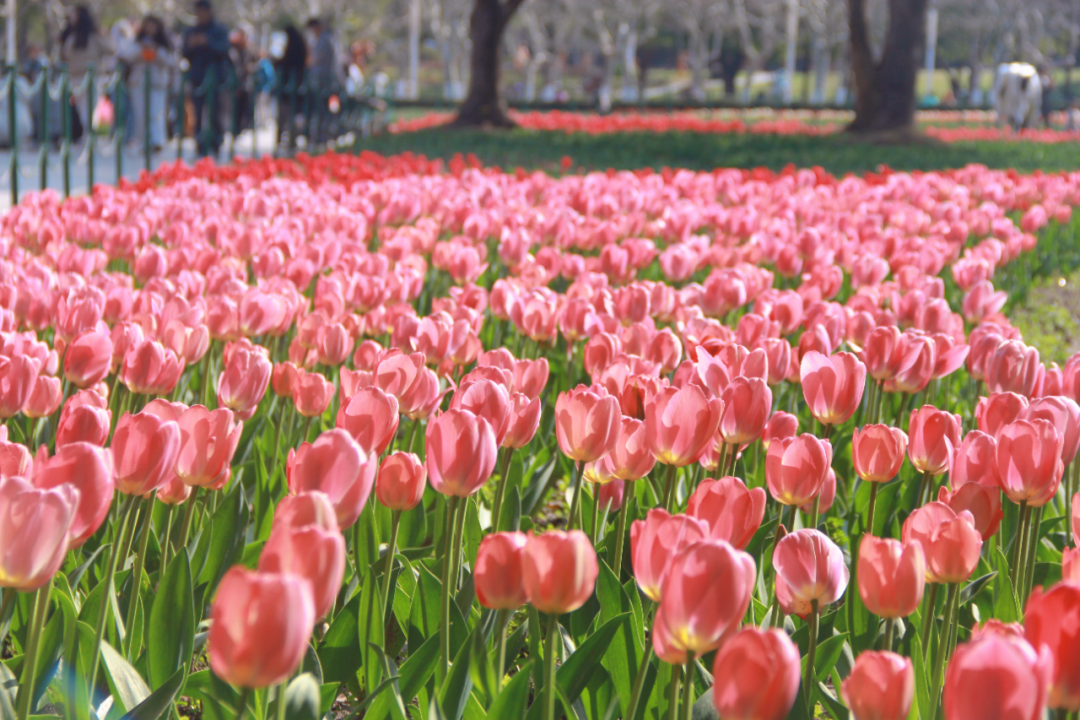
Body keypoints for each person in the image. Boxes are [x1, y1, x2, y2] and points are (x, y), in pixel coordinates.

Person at [118, 16, 175, 153]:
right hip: (138, 82)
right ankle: (143, 143)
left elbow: (170, 61)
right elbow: (126, 55)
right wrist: (141, 49)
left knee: (155, 112)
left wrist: (157, 51)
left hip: (157, 83)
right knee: (141, 114)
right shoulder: (137, 41)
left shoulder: (164, 44)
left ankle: (157, 141)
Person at [182, 0, 229, 156]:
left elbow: (224, 49)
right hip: (197, 78)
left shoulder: (220, 30)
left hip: (216, 78)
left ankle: (216, 142)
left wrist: (207, 42)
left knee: (216, 113)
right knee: (197, 112)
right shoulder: (191, 31)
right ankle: (200, 144)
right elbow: (184, 53)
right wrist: (191, 45)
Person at [58, 5, 112, 141]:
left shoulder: (90, 37)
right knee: (86, 108)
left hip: (88, 77)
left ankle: (89, 136)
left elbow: (110, 49)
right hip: (79, 77)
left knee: (88, 108)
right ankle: (89, 135)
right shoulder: (73, 37)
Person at [274, 24, 307, 150]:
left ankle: (284, 137)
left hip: (289, 83)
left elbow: (286, 62)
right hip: (297, 82)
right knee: (293, 112)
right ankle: (290, 137)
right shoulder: (300, 46)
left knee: (286, 113)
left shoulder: (293, 48)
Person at [306, 18, 336, 144]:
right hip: (320, 81)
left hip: (324, 81)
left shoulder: (326, 39)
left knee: (323, 110)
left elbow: (315, 58)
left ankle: (322, 136)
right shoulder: (321, 39)